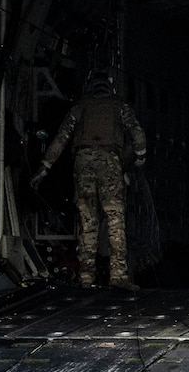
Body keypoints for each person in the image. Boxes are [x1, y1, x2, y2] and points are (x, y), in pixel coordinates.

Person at [34, 72, 148, 289]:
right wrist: (140, 156)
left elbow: (61, 137)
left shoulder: (81, 107)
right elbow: (137, 133)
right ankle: (119, 276)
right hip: (110, 161)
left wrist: (45, 166)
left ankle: (86, 277)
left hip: (83, 162)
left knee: (88, 219)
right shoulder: (119, 106)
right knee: (114, 217)